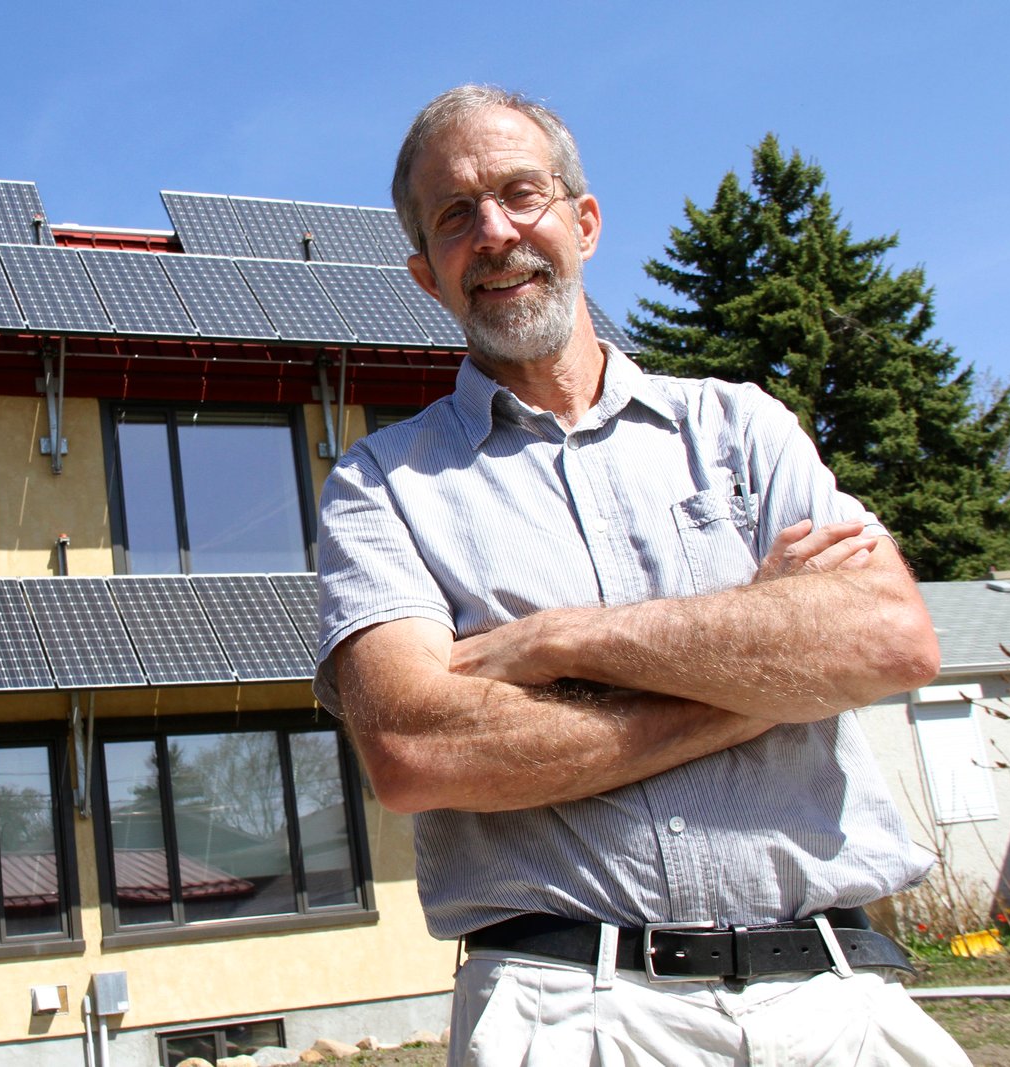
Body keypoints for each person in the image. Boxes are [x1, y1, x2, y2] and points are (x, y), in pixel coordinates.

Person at [314, 85, 971, 1065]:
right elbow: (416, 747)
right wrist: (767, 678)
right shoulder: (380, 484)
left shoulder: (739, 426)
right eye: (455, 215)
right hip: (568, 1009)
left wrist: (554, 640)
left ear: (583, 221)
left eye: (519, 192)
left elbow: (886, 639)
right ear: (426, 273)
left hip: (837, 998)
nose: (493, 231)